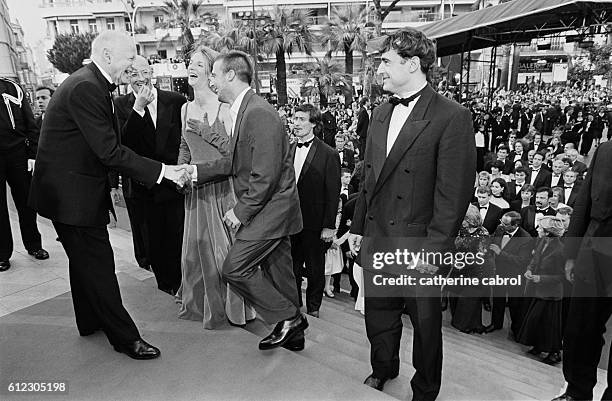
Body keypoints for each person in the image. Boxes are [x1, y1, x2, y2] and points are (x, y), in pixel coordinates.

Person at [28, 31, 189, 359]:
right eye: (129, 57)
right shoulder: (87, 86)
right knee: (99, 264)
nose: (132, 65)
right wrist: (163, 171)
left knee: (82, 260)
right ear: (106, 54)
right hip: (73, 196)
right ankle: (126, 338)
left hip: (67, 193)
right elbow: (110, 151)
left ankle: (88, 321)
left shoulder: (88, 82)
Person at [348, 28, 476, 400]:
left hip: (420, 244)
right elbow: (370, 178)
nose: (379, 71)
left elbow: (453, 196)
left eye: (386, 62)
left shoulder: (452, 117)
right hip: (379, 238)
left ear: (413, 64)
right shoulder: (379, 113)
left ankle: (425, 388)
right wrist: (358, 226)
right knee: (379, 316)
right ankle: (382, 368)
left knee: (425, 325)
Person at [186, 50, 307, 351]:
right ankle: (294, 333)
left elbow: (264, 175)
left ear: (230, 75)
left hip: (271, 209)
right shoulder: (245, 109)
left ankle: (291, 317)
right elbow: (232, 162)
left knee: (234, 268)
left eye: (213, 74)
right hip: (273, 208)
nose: (211, 81)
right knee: (280, 272)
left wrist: (240, 212)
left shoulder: (258, 113)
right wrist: (194, 171)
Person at [175, 46, 254, 328]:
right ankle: (200, 302)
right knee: (195, 252)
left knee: (222, 253)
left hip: (221, 190)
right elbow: (185, 146)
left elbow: (233, 154)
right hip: (195, 191)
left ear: (211, 73)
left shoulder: (224, 109)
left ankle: (232, 308)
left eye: (198, 63)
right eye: (189, 63)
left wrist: (205, 130)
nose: (191, 68)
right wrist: (180, 170)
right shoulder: (185, 108)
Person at [114, 55, 186, 295]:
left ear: (151, 72)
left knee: (177, 237)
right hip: (142, 187)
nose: (139, 78)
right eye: (133, 73)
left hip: (173, 184)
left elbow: (184, 141)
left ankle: (182, 285)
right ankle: (165, 287)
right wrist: (138, 109)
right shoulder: (119, 106)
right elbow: (122, 144)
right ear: (127, 77)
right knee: (152, 242)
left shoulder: (175, 101)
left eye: (143, 72)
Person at [553, 141, 612, 401]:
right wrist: (571, 255)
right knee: (580, 329)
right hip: (592, 252)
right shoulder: (606, 150)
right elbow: (583, 203)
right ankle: (576, 392)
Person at [289, 103, 341, 317]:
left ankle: (314, 308)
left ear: (314, 124)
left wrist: (329, 226)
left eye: (301, 119)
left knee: (315, 269)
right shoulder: (288, 149)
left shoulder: (329, 154)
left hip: (315, 224)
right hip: (290, 222)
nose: (296, 123)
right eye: (295, 118)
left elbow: (333, 192)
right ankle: (294, 305)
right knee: (291, 267)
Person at [1, 77, 49, 272]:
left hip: (18, 153)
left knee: (26, 203)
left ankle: (34, 245)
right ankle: (2, 254)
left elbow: (31, 124)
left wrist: (32, 154)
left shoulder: (12, 88)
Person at [518, 215, 565, 365]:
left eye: (540, 228)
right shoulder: (542, 241)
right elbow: (535, 260)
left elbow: (560, 277)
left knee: (549, 325)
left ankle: (554, 352)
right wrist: (529, 270)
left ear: (548, 232)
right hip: (538, 290)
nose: (537, 229)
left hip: (551, 294)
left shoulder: (560, 250)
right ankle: (538, 346)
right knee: (536, 320)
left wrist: (540, 278)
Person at [486, 211, 533, 336]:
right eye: (501, 221)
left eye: (505, 224)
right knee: (497, 300)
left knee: (515, 304)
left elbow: (521, 261)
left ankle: (517, 329)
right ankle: (495, 324)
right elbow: (493, 243)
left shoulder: (526, 238)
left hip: (515, 275)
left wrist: (500, 253)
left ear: (515, 225)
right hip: (499, 272)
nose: (502, 225)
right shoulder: (500, 229)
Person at [448, 204, 492, 334]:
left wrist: (463, 262)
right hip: (458, 268)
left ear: (471, 220)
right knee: (455, 297)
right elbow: (453, 246)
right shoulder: (461, 229)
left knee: (469, 301)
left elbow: (480, 256)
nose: (461, 222)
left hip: (475, 271)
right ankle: (457, 321)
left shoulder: (483, 233)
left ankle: (467, 325)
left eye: (464, 219)